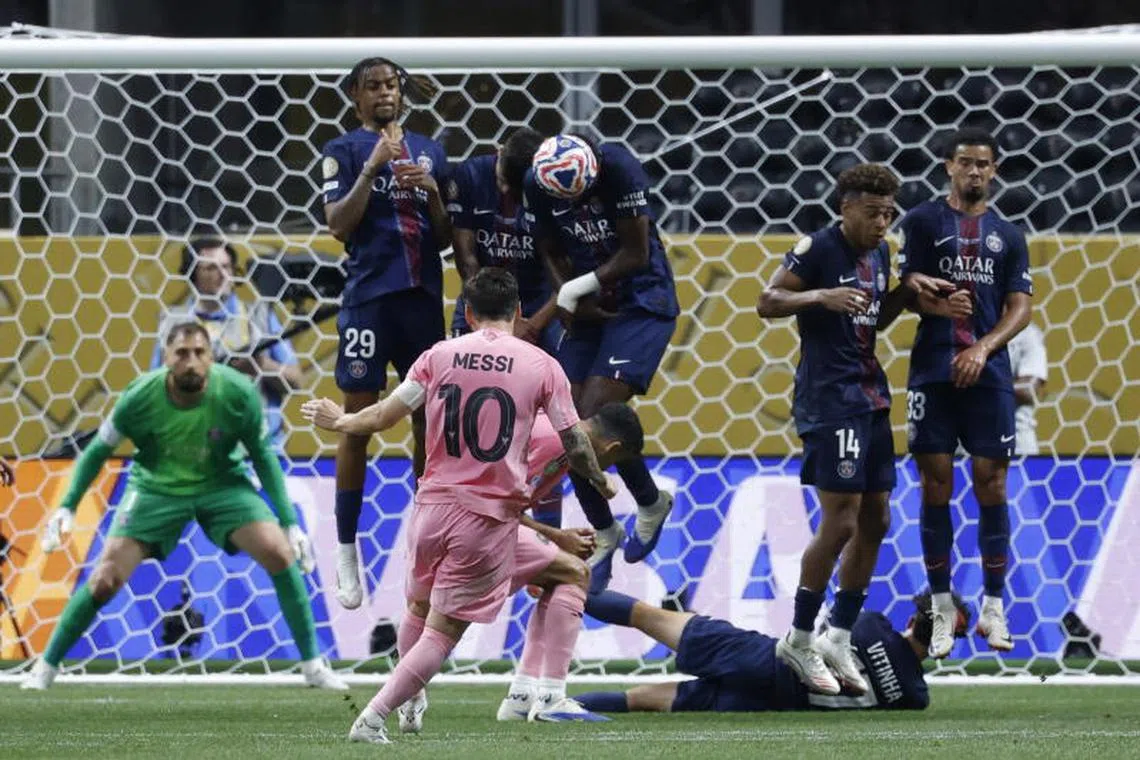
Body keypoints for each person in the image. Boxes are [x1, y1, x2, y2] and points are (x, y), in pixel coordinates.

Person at [299, 267, 616, 745]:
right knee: (443, 634)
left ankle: (411, 701)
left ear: (467, 314)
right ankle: (373, 717)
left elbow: (385, 415)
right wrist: (600, 480)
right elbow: (573, 442)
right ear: (519, 312)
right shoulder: (542, 365)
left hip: (429, 508)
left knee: (418, 608)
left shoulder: (438, 356)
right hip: (485, 518)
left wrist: (340, 420)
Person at [21, 322, 345, 691]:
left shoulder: (238, 393)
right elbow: (97, 451)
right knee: (105, 578)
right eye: (181, 354)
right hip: (156, 486)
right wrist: (66, 507)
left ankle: (314, 667)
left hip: (223, 484)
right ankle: (44, 668)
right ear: (166, 357)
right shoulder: (139, 396)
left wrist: (289, 523)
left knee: (279, 552)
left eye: (199, 353)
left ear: (210, 356)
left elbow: (263, 458)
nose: (191, 362)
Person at [756, 163, 953, 695]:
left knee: (876, 519)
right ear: (845, 207)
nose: (882, 222)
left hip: (870, 396)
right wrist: (818, 296)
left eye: (889, 213)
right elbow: (767, 302)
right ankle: (798, 639)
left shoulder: (880, 254)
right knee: (840, 522)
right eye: (873, 212)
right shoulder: (816, 248)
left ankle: (837, 635)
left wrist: (906, 291)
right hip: (829, 399)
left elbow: (872, 319)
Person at [320, 56, 452, 610]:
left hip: (422, 300)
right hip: (368, 302)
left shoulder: (431, 149)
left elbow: (447, 234)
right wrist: (373, 167)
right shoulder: (343, 152)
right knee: (357, 420)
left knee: (429, 421)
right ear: (356, 95)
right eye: (373, 86)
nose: (384, 94)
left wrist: (435, 194)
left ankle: (423, 546)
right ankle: (347, 549)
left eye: (391, 85)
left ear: (402, 92)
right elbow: (336, 225)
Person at [899, 126, 1034, 657]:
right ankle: (939, 608)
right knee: (935, 487)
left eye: (983, 163)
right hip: (932, 370)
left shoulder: (1008, 235)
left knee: (991, 483)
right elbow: (906, 289)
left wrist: (982, 348)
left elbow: (1019, 306)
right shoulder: (924, 221)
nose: (974, 171)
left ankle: (995, 608)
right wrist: (929, 300)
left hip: (989, 375)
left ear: (994, 170)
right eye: (965, 162)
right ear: (948, 167)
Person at [518, 133, 677, 570]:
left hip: (643, 301)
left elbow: (637, 252)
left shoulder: (619, 168)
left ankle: (648, 502)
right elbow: (548, 248)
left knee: (586, 418)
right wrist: (569, 296)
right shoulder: (537, 182)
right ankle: (607, 528)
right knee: (559, 418)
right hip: (589, 307)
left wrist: (574, 288)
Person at [574, 588, 970, 714]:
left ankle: (566, 587)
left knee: (646, 615)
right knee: (640, 700)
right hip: (774, 703)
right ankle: (556, 709)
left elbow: (823, 628)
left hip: (762, 657)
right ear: (947, 643)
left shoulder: (871, 624)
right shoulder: (915, 697)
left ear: (915, 616)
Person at [447, 126, 564, 527]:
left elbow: (566, 267)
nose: (504, 190)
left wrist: (533, 321)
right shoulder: (469, 176)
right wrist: (494, 317)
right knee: (463, 411)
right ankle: (460, 512)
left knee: (548, 427)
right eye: (500, 180)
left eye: (513, 188)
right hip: (483, 299)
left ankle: (548, 533)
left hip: (537, 307)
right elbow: (465, 258)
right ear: (496, 153)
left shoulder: (552, 185)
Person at [153, 237, 303, 445]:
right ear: (192, 273)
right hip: (193, 444)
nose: (222, 274)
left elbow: (296, 380)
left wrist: (261, 366)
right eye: (211, 268)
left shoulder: (260, 315)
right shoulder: (172, 321)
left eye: (227, 267)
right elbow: (155, 387)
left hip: (259, 445)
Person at [1007, 322, 1047, 455]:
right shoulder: (966, 330)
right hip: (966, 442)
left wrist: (982, 389)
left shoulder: (1027, 334)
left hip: (1016, 442)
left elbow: (1028, 389)